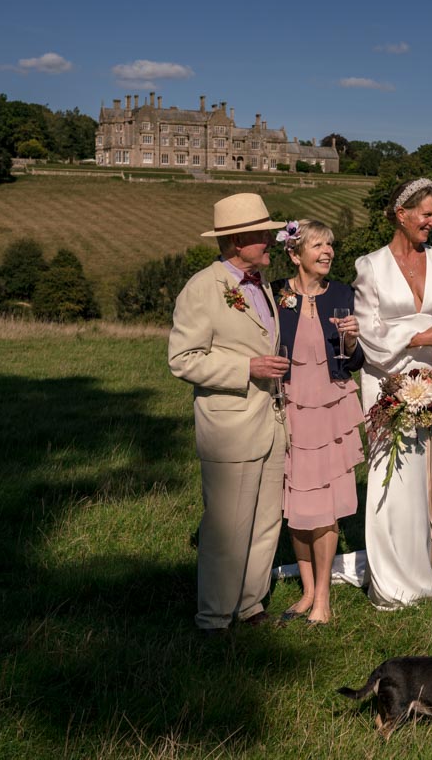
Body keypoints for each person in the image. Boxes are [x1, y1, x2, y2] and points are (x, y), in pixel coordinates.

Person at [168, 192, 289, 634]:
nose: (270, 242)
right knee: (226, 530)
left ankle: (250, 605)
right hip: (230, 427)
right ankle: (214, 619)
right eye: (263, 235)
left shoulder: (262, 285)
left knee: (266, 522)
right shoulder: (203, 287)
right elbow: (183, 359)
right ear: (237, 241)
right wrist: (246, 368)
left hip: (271, 423)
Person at [354, 177, 432, 611]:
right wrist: (416, 338)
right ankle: (388, 582)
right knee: (389, 475)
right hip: (385, 378)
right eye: (426, 214)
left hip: (428, 382)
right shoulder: (370, 266)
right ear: (400, 215)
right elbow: (368, 333)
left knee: (418, 477)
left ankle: (419, 572)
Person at [272, 219, 365, 626]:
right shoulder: (276, 293)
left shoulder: (343, 294)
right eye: (318, 246)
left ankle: (323, 598)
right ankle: (306, 591)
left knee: (325, 504)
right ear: (295, 255)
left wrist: (352, 340)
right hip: (290, 406)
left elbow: (355, 360)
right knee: (296, 501)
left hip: (329, 407)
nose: (328, 252)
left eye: (330, 245)